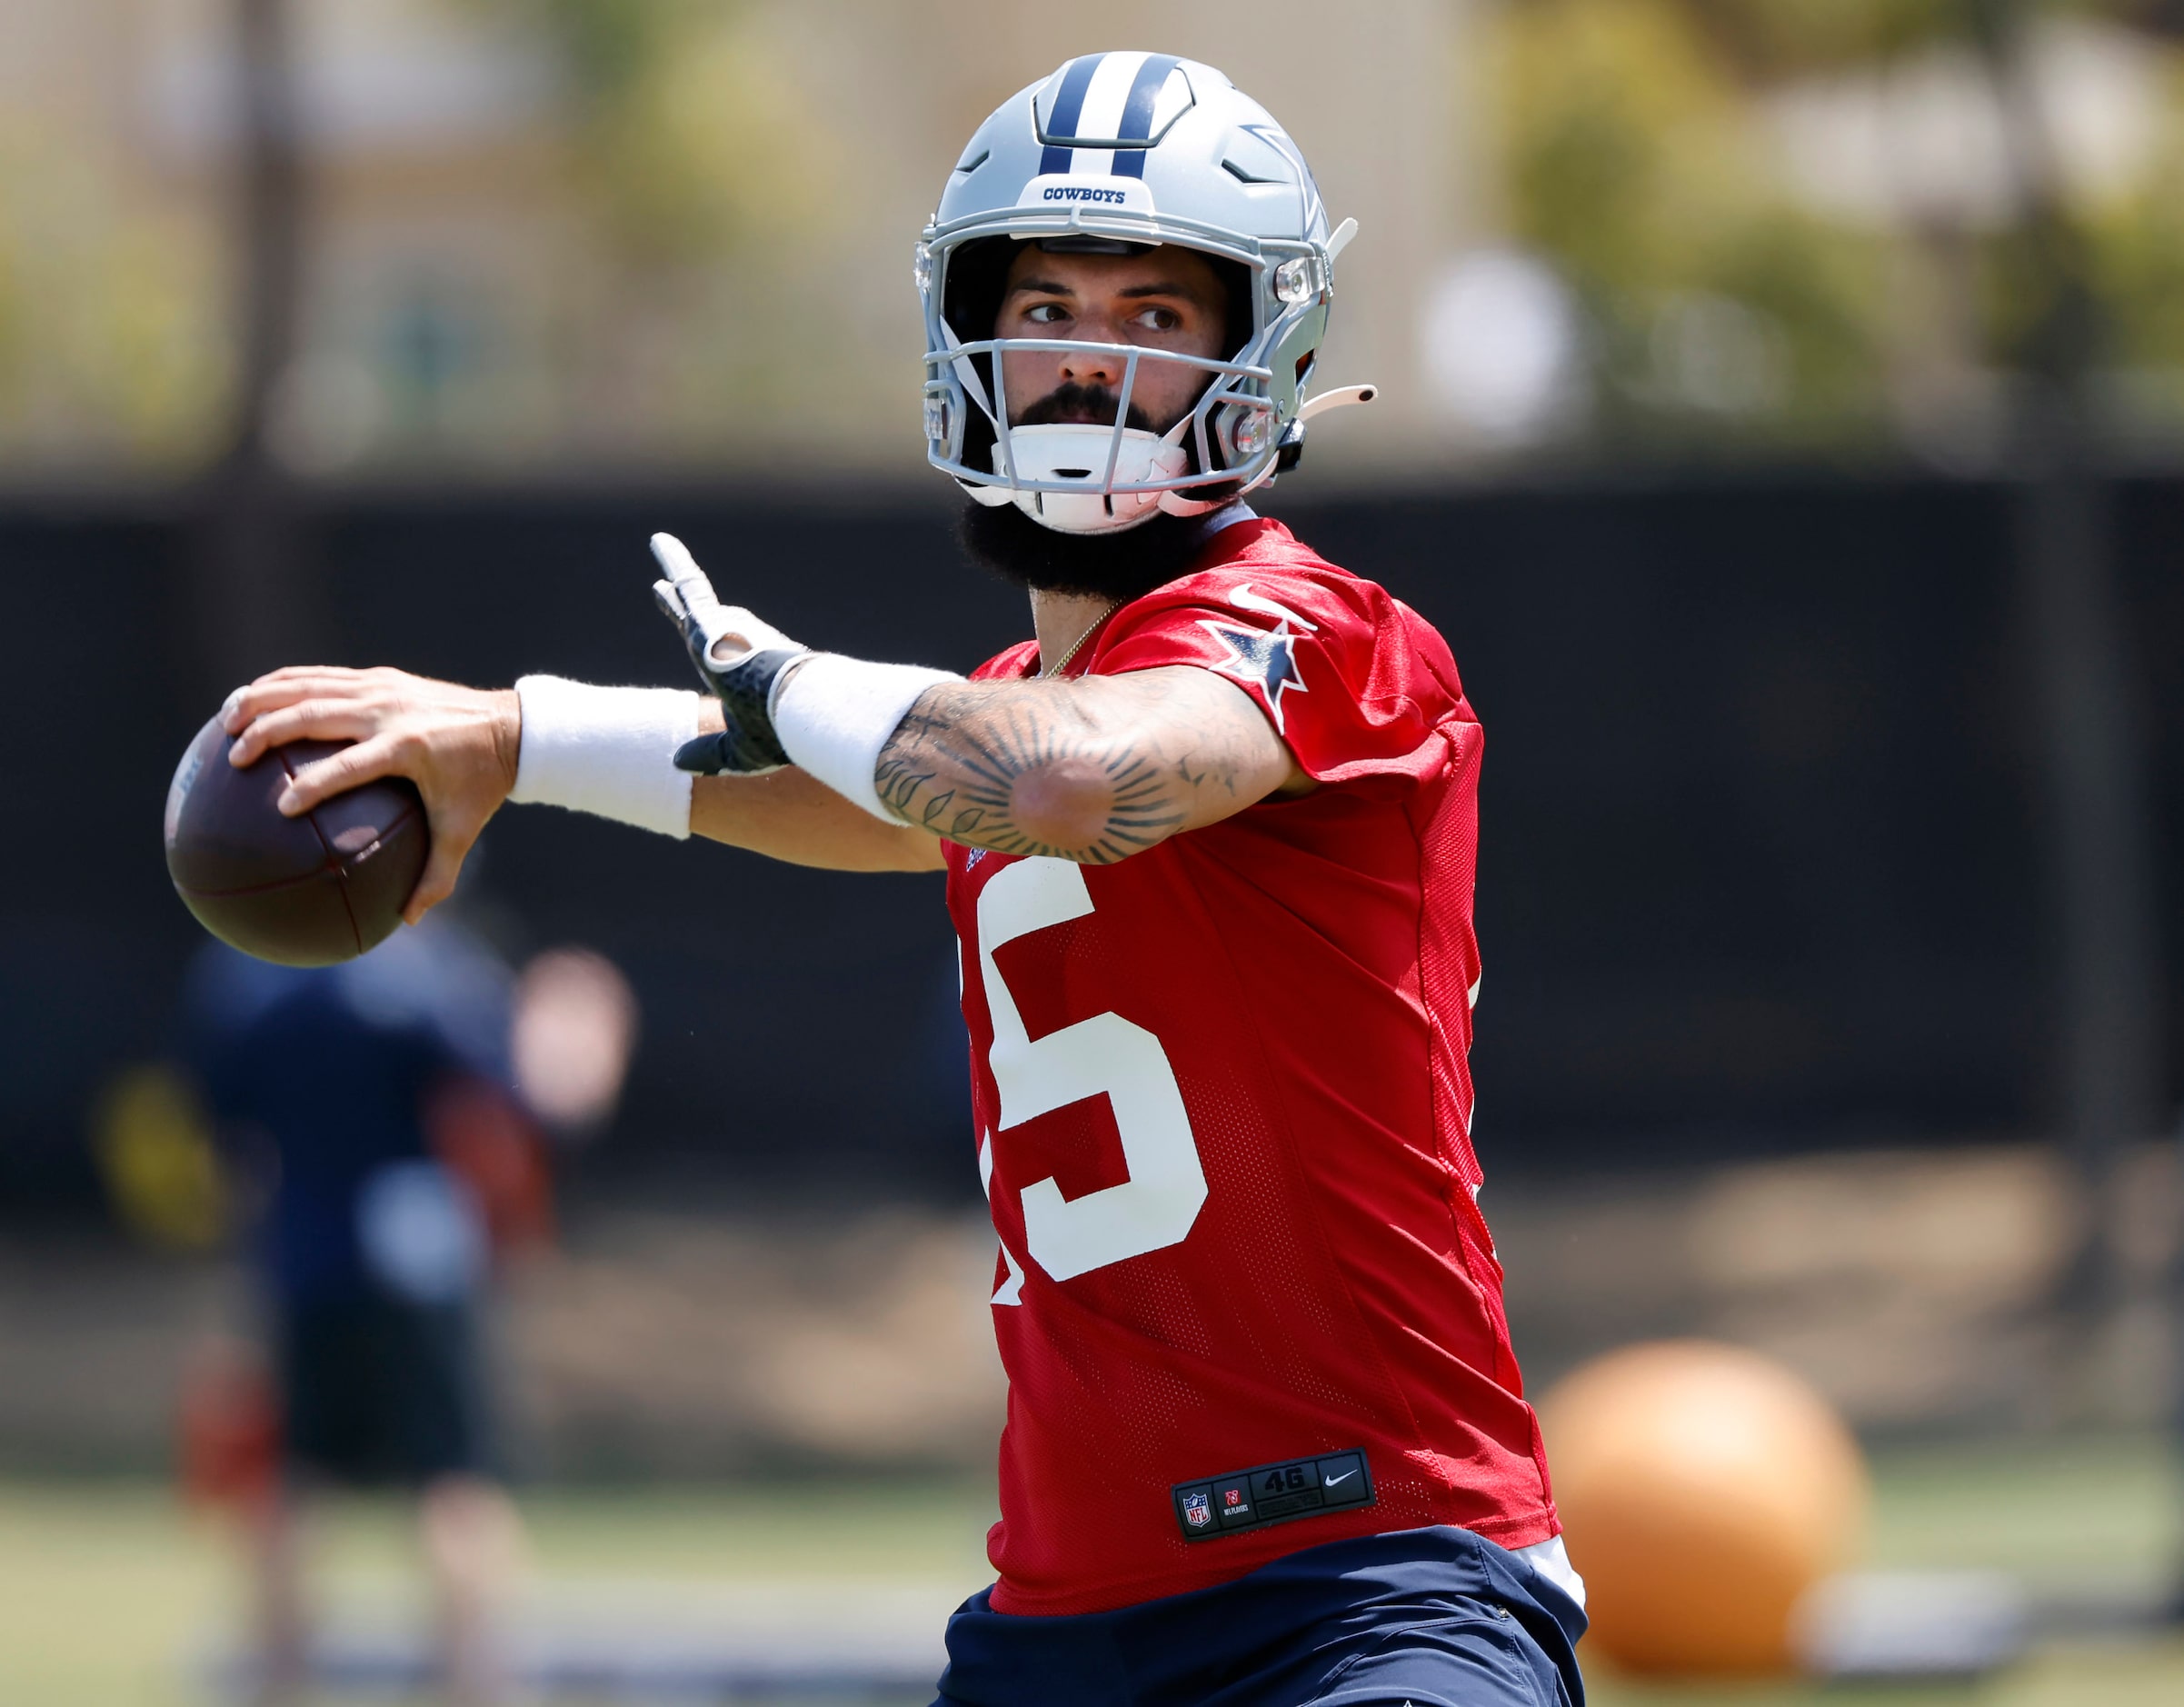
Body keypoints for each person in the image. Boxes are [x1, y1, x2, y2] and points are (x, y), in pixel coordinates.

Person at [217, 53, 1586, 1707]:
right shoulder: (990, 705)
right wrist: (517, 736)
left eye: (1155, 312)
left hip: (1372, 1580)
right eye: (1050, 298)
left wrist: (780, 673)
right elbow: (896, 792)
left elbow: (1067, 779)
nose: (1087, 354)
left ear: (1258, 350)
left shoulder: (1320, 633)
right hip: (1065, 1609)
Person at [182, 920, 631, 1705]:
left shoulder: (246, 975)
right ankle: (475, 1687)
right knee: (454, 1484)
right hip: (419, 1264)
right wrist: (583, 1042)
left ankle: (278, 1687)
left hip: (302, 1254)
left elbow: (218, 1121)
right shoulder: (431, 973)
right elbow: (530, 1103)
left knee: (291, 1486)